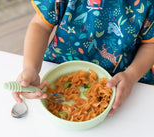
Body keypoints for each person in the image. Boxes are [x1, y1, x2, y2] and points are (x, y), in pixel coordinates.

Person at [12, 0, 154, 115]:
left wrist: (131, 75)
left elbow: (150, 44)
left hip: (124, 79)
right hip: (58, 68)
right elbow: (40, 25)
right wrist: (31, 67)